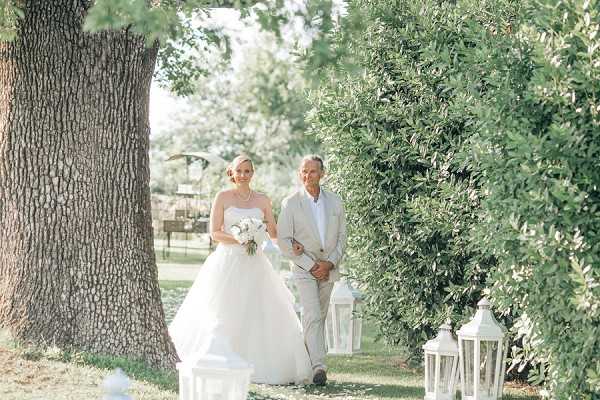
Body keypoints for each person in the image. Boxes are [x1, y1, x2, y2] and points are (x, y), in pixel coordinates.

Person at [169, 155, 312, 385]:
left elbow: (273, 233)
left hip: (256, 264)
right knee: (224, 310)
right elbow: (215, 233)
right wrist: (240, 239)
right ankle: (219, 360)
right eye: (240, 171)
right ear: (232, 173)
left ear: (252, 174)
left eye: (247, 171)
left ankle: (257, 364)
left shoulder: (263, 200)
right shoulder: (223, 197)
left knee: (258, 311)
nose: (243, 175)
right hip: (227, 262)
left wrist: (291, 244)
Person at [277, 155, 347, 386]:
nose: (308, 176)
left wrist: (329, 264)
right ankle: (319, 367)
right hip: (303, 268)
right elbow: (285, 242)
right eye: (304, 172)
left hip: (328, 268)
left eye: (313, 172)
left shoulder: (335, 201)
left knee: (318, 317)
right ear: (300, 174)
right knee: (313, 315)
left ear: (322, 173)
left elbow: (342, 239)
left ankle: (305, 363)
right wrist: (312, 265)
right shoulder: (290, 202)